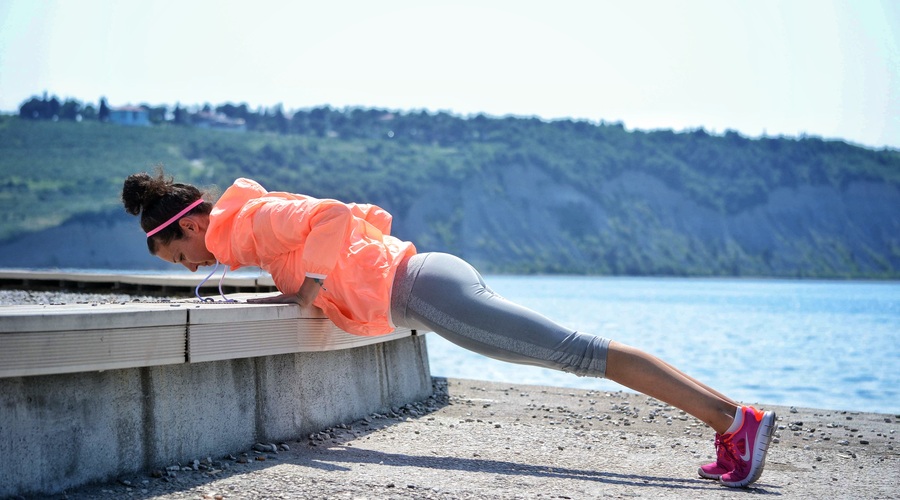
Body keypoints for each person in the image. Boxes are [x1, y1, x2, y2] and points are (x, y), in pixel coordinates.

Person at [122, 170, 776, 488]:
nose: (192, 266)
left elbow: (326, 217)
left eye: (182, 257)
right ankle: (732, 421)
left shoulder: (253, 219)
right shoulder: (248, 234)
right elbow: (335, 239)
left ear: (190, 225)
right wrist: (302, 289)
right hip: (423, 284)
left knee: (577, 354)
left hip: (421, 287)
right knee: (576, 352)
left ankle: (733, 422)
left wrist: (314, 287)